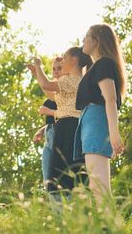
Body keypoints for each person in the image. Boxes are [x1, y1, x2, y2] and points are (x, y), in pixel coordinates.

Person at [74, 24, 126, 204]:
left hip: (97, 122)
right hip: (89, 123)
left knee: (100, 188)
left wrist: (114, 133)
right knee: (95, 188)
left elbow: (110, 99)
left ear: (96, 41)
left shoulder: (104, 64)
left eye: (86, 36)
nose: (83, 40)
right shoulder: (95, 67)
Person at [30, 47, 93, 196]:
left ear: (73, 60)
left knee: (61, 174)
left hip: (68, 127)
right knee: (68, 172)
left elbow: (47, 86)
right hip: (68, 127)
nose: (62, 60)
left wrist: (39, 65)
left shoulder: (71, 80)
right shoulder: (79, 81)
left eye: (65, 58)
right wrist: (38, 74)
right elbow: (53, 96)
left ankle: (65, 210)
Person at [30, 58, 63, 188]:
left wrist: (48, 111)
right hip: (49, 135)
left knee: (56, 179)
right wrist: (43, 129)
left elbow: (66, 114)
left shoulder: (65, 88)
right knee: (47, 179)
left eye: (59, 68)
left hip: (60, 135)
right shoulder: (53, 89)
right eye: (54, 69)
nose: (56, 72)